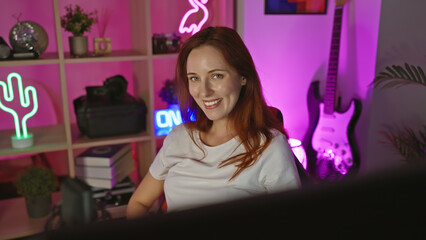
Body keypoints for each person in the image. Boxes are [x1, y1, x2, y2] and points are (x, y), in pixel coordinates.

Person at [126, 26, 301, 219]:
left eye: (216, 76)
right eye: (194, 78)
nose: (204, 91)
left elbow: (292, 224)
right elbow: (139, 202)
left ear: (243, 76)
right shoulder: (179, 137)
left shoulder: (270, 147)